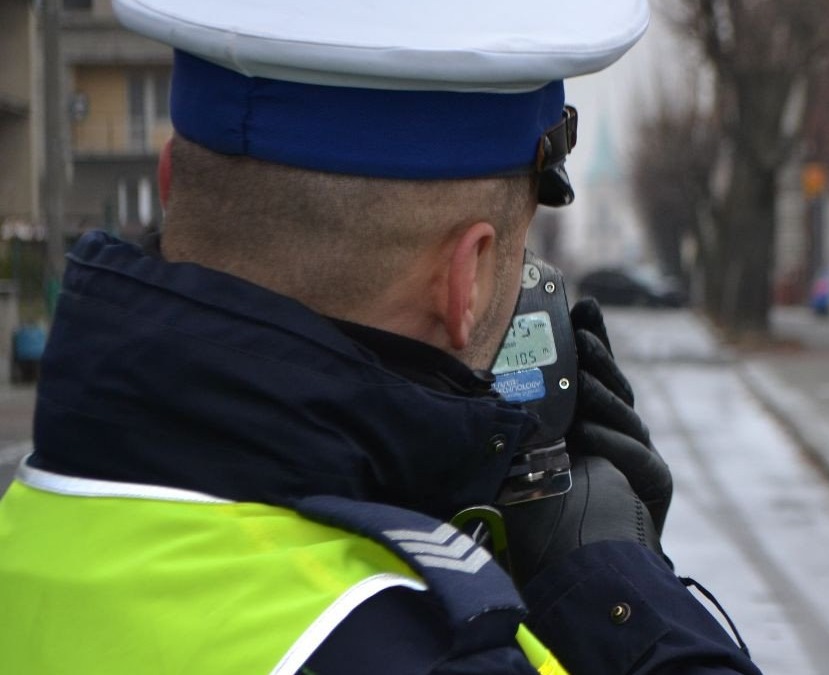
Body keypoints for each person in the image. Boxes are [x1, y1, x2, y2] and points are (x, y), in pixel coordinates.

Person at [0, 1, 764, 673]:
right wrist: (623, 600)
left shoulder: (20, 516)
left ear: (171, 180)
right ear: (465, 280)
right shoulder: (434, 648)